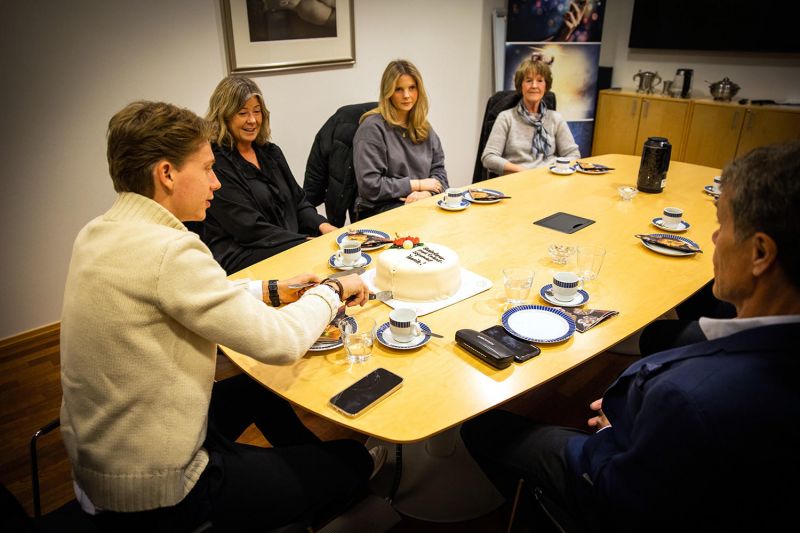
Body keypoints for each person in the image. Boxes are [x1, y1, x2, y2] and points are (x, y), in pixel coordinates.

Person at [60, 100, 383, 532]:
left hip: (102, 461)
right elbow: (282, 342)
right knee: (353, 459)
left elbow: (181, 293)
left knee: (256, 392)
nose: (216, 182)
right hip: (159, 491)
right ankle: (323, 490)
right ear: (167, 173)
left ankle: (308, 474)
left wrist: (270, 289)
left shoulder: (99, 232)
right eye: (208, 168)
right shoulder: (171, 251)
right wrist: (334, 287)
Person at [462, 141, 800, 531]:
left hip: (617, 477)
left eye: (722, 226)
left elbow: (617, 496)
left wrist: (615, 433)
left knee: (480, 428)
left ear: (760, 253)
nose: (714, 238)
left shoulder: (688, 399)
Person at [201, 75, 337, 275]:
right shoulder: (217, 163)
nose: (252, 120)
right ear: (224, 116)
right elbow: (248, 228)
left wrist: (323, 226)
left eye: (257, 112)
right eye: (242, 113)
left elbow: (299, 202)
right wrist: (304, 243)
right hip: (245, 254)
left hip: (289, 241)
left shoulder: (271, 152)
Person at [353, 59, 448, 219]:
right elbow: (370, 186)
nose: (406, 96)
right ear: (388, 92)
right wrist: (417, 184)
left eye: (412, 88)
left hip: (420, 204)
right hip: (380, 210)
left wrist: (426, 193)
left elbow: (439, 173)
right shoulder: (371, 129)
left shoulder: (423, 127)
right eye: (398, 89)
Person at [481, 55, 579, 176]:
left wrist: (553, 168)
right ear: (520, 85)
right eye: (528, 80)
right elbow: (488, 158)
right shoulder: (506, 118)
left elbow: (573, 155)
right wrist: (525, 172)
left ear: (546, 86)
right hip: (517, 180)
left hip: (549, 179)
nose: (534, 86)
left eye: (539, 81)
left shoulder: (555, 119)